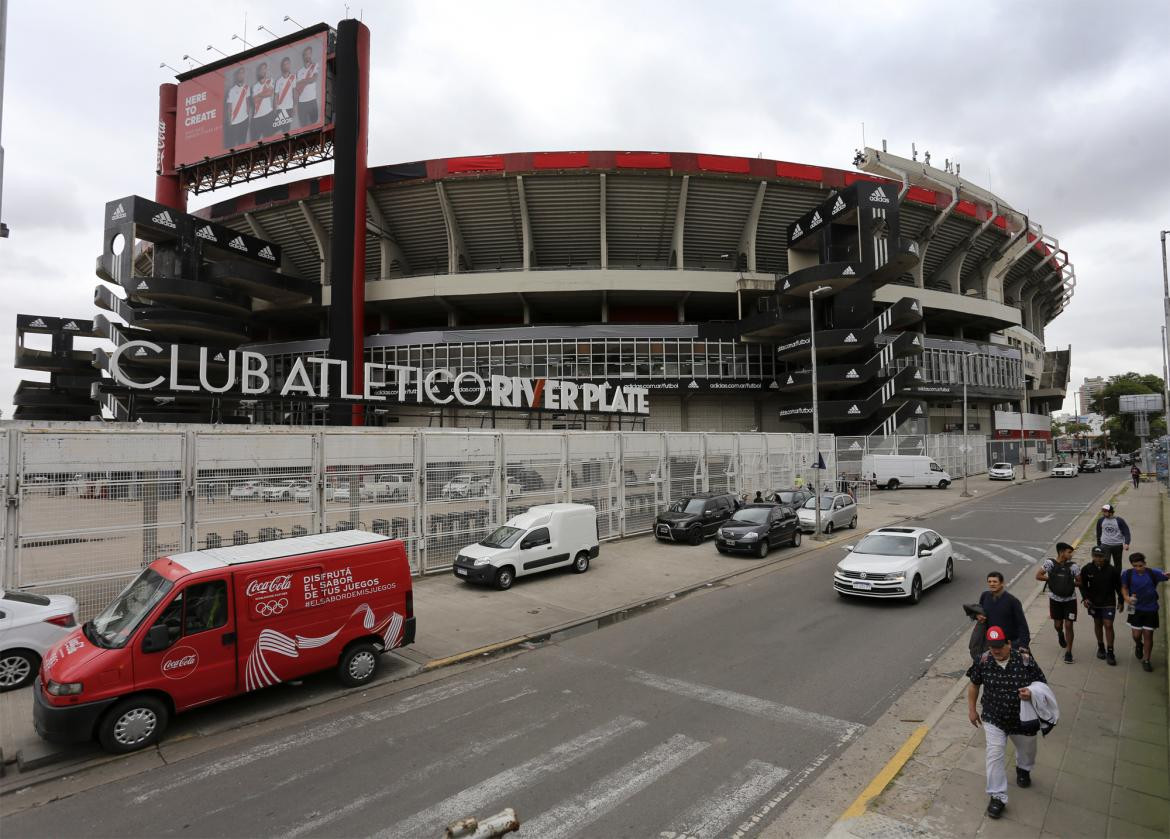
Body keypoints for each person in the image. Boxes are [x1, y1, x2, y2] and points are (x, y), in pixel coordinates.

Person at [967, 625, 1046, 820]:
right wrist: (971, 709)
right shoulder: (983, 661)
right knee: (994, 755)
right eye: (993, 647)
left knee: (1027, 751)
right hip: (994, 717)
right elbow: (974, 685)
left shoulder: (1025, 660)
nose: (996, 651)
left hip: (1022, 719)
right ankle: (997, 796)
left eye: (1000, 647)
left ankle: (1023, 769)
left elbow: (1042, 684)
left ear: (1009, 644)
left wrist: (1031, 693)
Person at [1121, 553, 1168, 672]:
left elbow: (1166, 576)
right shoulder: (1128, 574)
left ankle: (1147, 660)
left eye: (1140, 565)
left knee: (1148, 634)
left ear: (1145, 563)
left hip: (1151, 608)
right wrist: (1126, 598)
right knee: (1136, 635)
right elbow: (1124, 587)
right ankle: (1138, 644)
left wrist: (1167, 575)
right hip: (1134, 608)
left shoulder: (1154, 573)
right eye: (1135, 566)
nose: (1138, 568)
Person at [1036, 542, 1080, 663]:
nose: (1071, 555)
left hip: (1070, 600)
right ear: (1061, 552)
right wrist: (1053, 579)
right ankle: (1060, 634)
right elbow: (1038, 575)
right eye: (1069, 552)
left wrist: (1068, 582)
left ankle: (1069, 652)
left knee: (1069, 625)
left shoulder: (1073, 566)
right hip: (1055, 600)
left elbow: (1080, 582)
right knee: (1058, 625)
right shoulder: (1050, 563)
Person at [1079, 545, 1122, 665]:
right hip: (1094, 603)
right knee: (1097, 623)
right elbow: (1082, 585)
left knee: (1108, 625)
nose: (1098, 559)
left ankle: (1110, 651)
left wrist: (1122, 600)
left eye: (1100, 556)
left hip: (1109, 602)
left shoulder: (1112, 570)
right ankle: (1101, 646)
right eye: (1095, 556)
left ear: (1105, 557)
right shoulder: (1087, 569)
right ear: (1092, 556)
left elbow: (1119, 587)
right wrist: (1085, 598)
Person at [975, 572, 1031, 653]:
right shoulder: (984, 596)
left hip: (1009, 643)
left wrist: (1023, 645)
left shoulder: (1012, 601)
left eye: (995, 581)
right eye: (989, 581)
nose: (992, 584)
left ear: (1002, 583)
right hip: (991, 642)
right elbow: (979, 611)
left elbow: (1022, 624)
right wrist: (977, 615)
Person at [1096, 504, 1131, 574]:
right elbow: (1098, 533)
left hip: (1117, 545)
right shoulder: (1101, 520)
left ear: (1111, 512)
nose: (1103, 513)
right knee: (1105, 563)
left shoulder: (1119, 520)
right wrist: (1099, 545)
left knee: (1117, 564)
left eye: (1105, 511)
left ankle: (1117, 578)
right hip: (1105, 545)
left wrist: (1127, 543)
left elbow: (1126, 532)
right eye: (1103, 511)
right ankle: (1106, 578)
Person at [223, 66, 250, 149]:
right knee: (232, 145)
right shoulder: (232, 90)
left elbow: (247, 101)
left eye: (243, 73)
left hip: (244, 120)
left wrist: (247, 114)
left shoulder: (247, 87)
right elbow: (229, 107)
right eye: (240, 73)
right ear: (236, 76)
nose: (242, 75)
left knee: (242, 143)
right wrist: (229, 120)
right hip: (234, 122)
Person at [269, 56, 297, 137]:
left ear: (290, 65)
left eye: (287, 64)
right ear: (282, 66)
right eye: (284, 64)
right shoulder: (278, 81)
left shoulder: (293, 77)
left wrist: (295, 106)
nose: (286, 66)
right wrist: (275, 109)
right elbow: (276, 96)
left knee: (285, 130)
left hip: (289, 108)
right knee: (274, 129)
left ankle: (286, 146)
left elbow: (294, 92)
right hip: (279, 109)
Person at [295, 44, 320, 128]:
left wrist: (303, 81)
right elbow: (297, 88)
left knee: (314, 125)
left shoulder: (315, 66)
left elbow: (314, 78)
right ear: (303, 56)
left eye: (309, 54)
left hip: (312, 100)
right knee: (303, 128)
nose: (308, 56)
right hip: (301, 103)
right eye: (306, 54)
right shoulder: (299, 72)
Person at [249, 62, 275, 142]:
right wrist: (264, 93)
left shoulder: (270, 81)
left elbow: (270, 93)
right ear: (258, 71)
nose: (263, 71)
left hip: (268, 115)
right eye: (261, 69)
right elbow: (254, 100)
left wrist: (259, 95)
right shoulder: (254, 86)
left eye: (265, 68)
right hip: (256, 118)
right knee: (254, 143)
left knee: (269, 141)